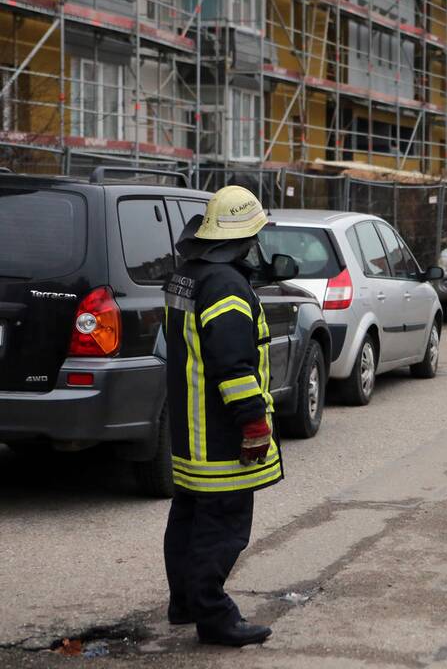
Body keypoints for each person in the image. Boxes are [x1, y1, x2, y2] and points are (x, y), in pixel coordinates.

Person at [162, 186, 282, 647]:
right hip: (220, 435)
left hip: (189, 433)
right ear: (243, 237)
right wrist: (253, 424)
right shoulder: (227, 286)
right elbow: (233, 366)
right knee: (224, 525)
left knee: (189, 517)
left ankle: (185, 603)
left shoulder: (187, 276)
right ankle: (214, 617)